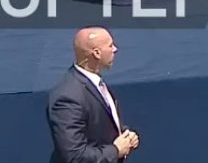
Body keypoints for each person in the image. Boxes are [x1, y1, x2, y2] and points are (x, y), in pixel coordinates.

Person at [46, 27, 139, 162]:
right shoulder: (68, 97)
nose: (115, 49)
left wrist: (124, 135)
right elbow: (74, 156)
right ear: (97, 53)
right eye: (110, 45)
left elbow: (98, 125)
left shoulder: (94, 83)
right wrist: (116, 150)